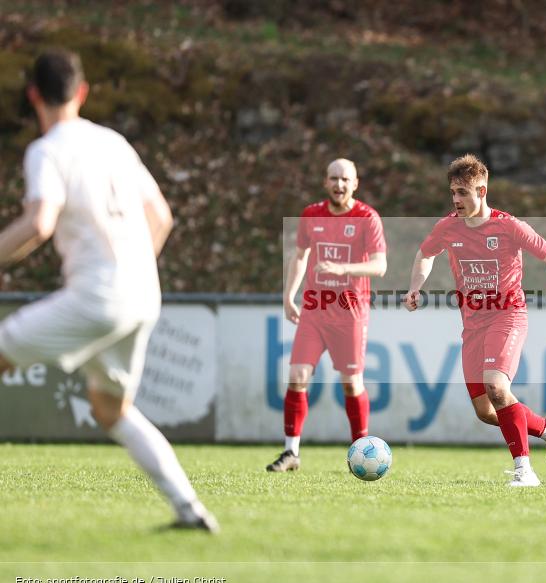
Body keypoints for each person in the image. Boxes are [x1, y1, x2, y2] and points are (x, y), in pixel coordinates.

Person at [0, 49, 218, 531]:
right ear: (82, 92)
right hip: (143, 294)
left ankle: (189, 510)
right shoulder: (114, 143)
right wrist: (133, 271)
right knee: (110, 408)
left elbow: (39, 221)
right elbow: (161, 216)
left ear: (33, 95)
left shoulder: (47, 149)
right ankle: (190, 511)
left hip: (100, 296)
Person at [404, 154, 546, 487]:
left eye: (463, 193)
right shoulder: (447, 227)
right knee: (486, 412)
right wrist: (415, 286)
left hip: (508, 316)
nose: (456, 200)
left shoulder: (509, 226)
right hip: (473, 326)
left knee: (498, 387)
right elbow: (425, 253)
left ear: (482, 191)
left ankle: (524, 471)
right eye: (453, 192)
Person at [267, 158, 387, 472]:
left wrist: (343, 268)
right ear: (325, 182)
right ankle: (291, 452)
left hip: (349, 312)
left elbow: (379, 266)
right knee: (296, 377)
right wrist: (288, 294)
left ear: (355, 183)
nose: (339, 185)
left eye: (345, 179)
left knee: (351, 383)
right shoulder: (311, 214)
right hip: (314, 311)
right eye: (333, 178)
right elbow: (301, 255)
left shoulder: (367, 217)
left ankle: (360, 449)